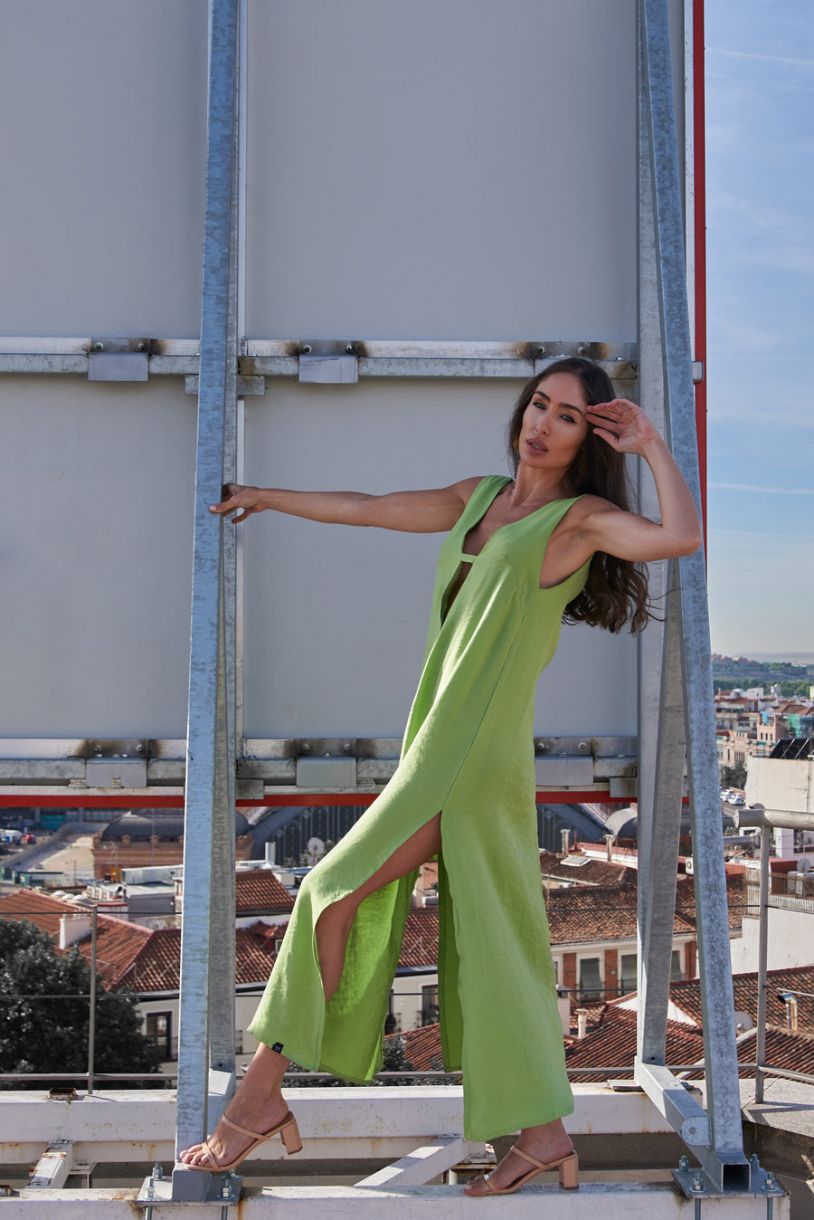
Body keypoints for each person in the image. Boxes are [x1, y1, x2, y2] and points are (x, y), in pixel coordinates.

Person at [179, 357, 702, 1195]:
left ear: (589, 438)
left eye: (568, 416)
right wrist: (268, 497)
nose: (543, 424)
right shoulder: (478, 498)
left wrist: (652, 448)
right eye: (539, 404)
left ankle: (256, 1102)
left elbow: (680, 538)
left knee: (327, 892)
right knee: (494, 933)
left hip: (471, 755)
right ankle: (542, 1136)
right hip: (442, 743)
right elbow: (368, 508)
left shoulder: (579, 520)